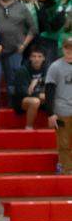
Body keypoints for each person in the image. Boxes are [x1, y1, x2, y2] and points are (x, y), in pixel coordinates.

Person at [44, 37, 72, 173]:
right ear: (63, 49)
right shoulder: (55, 67)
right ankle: (66, 170)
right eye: (67, 48)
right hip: (62, 111)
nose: (70, 51)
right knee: (64, 143)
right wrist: (50, 113)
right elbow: (49, 90)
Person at [12, 49, 48, 129]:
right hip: (22, 101)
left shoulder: (47, 69)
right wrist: (40, 95)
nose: (37, 59)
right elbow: (23, 92)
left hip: (42, 99)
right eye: (34, 56)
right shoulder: (22, 70)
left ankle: (53, 129)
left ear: (44, 58)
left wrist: (38, 80)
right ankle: (28, 128)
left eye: (39, 56)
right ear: (30, 58)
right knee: (35, 101)